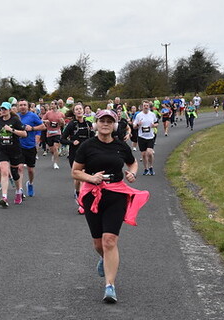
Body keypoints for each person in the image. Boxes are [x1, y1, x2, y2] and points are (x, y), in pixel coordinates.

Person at [72, 109, 149, 303]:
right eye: (102, 120)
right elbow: (75, 172)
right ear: (96, 124)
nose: (105, 124)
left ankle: (109, 286)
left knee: (109, 240)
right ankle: (104, 259)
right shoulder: (87, 146)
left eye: (109, 121)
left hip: (116, 194)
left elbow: (132, 164)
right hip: (93, 195)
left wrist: (132, 173)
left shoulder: (120, 146)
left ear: (114, 125)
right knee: (98, 243)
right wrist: (91, 177)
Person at [0, 102, 27, 207]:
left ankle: (18, 191)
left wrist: (11, 130)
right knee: (4, 171)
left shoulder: (15, 120)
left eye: (5, 109)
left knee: (15, 173)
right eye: (2, 109)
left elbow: (24, 134)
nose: (3, 111)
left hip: (14, 150)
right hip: (2, 149)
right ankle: (4, 197)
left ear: (9, 110)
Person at [61, 103, 94, 206]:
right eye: (77, 109)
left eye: (80, 109)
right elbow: (62, 139)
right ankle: (77, 191)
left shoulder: (89, 124)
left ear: (83, 111)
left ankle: (82, 198)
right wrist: (72, 142)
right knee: (78, 178)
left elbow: (94, 138)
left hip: (87, 154)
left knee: (84, 176)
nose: (79, 111)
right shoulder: (71, 124)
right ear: (74, 112)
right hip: (75, 153)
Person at [17, 99, 46, 197]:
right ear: (18, 106)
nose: (22, 107)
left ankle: (30, 183)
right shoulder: (16, 117)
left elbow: (43, 126)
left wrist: (32, 128)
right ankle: (20, 190)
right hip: (19, 146)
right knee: (20, 168)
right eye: (20, 105)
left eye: (24, 105)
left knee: (30, 170)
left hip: (30, 145)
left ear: (28, 106)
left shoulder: (32, 116)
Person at [133, 101, 158, 176]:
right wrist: (138, 124)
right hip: (141, 137)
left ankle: (151, 167)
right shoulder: (139, 115)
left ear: (149, 106)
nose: (146, 107)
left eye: (147, 105)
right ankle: (146, 169)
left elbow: (157, 123)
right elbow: (134, 126)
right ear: (142, 107)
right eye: (144, 106)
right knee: (143, 154)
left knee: (149, 152)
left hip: (150, 136)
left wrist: (154, 125)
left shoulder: (152, 114)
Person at [42, 100, 65, 169]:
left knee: (55, 147)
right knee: (52, 149)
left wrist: (62, 122)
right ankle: (54, 155)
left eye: (52, 104)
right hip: (49, 133)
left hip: (57, 132)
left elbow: (63, 123)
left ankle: (55, 163)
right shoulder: (48, 113)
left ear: (56, 105)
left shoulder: (60, 114)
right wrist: (46, 121)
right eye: (51, 104)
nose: (51, 105)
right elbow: (41, 120)